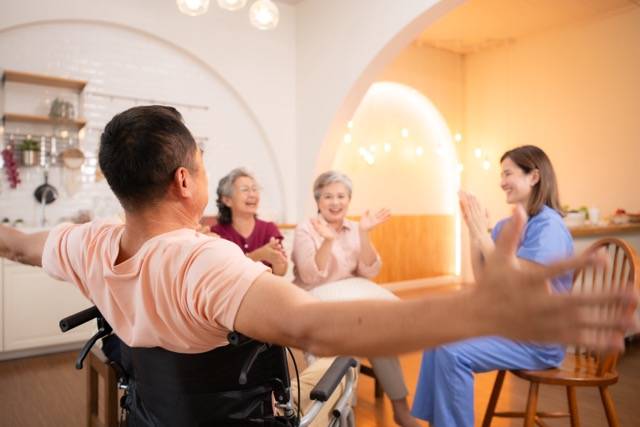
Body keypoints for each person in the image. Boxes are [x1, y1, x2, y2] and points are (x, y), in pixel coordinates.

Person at [0, 107, 634, 422]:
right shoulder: (204, 262)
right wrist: (476, 310)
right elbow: (314, 328)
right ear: (188, 180)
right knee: (337, 366)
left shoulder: (84, 243)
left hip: (152, 412)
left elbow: (20, 243)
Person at [412, 145, 578, 427]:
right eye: (501, 174)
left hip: (539, 339)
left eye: (508, 173)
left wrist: (482, 234)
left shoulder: (548, 226)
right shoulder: (505, 225)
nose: (502, 182)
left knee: (453, 352)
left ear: (534, 176)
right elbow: (484, 279)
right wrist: (473, 231)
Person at [291, 171, 418, 427]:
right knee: (347, 340)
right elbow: (309, 275)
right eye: (328, 196)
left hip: (350, 296)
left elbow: (370, 270)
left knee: (379, 339)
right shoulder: (306, 228)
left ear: (349, 200)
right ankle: (342, 413)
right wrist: (327, 240)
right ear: (318, 201)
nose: (335, 202)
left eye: (341, 196)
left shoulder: (353, 227)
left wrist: (364, 233)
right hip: (315, 299)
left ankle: (400, 409)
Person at [212, 167, 287, 276]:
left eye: (254, 189)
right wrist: (260, 254)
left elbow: (280, 273)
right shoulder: (216, 234)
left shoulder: (269, 229)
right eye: (245, 190)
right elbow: (225, 273)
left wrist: (277, 261)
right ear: (227, 200)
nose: (252, 195)